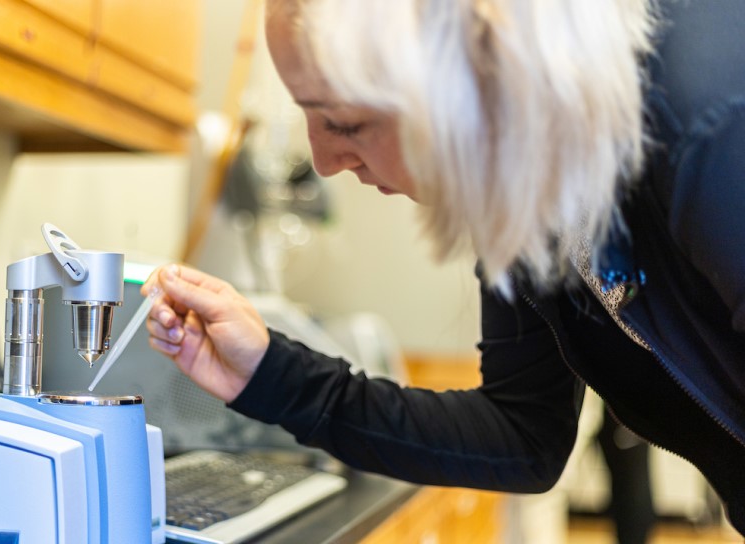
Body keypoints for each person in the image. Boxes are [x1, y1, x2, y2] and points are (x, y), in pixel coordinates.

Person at [144, 0, 745, 535]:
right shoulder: (519, 181)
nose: (324, 162)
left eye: (345, 122)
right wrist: (270, 374)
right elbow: (523, 437)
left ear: (462, 70)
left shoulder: (711, 118)